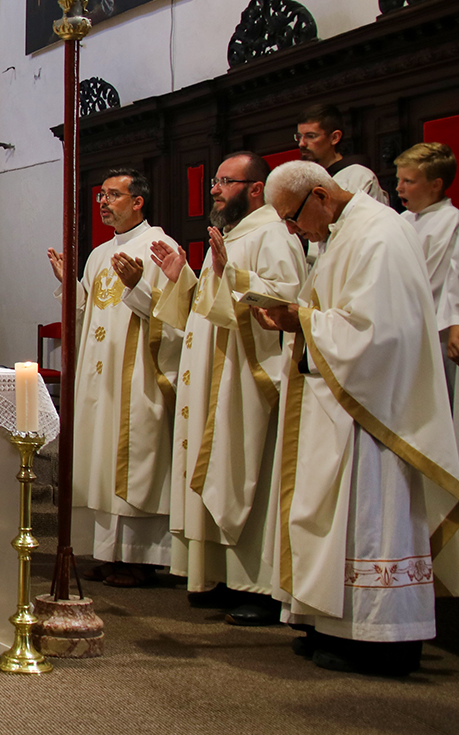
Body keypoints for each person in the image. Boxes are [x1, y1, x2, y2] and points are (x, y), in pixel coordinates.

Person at [253, 161, 459, 675]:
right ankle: (333, 625)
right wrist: (296, 313)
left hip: (376, 413)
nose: (294, 230)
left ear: (321, 195)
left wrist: (296, 317)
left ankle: (379, 640)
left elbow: (378, 334)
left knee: (370, 519)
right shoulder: (343, 232)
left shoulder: (379, 235)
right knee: (337, 520)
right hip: (341, 402)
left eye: (293, 217)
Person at [149, 152, 303, 625]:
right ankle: (215, 574)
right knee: (214, 464)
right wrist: (185, 280)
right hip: (215, 370)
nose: (213, 189)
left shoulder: (273, 235)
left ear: (255, 188)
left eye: (224, 182)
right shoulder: (232, 236)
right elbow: (208, 306)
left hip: (244, 375)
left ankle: (255, 584)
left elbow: (287, 301)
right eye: (214, 181)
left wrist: (231, 274)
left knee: (242, 466)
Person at [47, 167, 181, 589]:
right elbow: (90, 313)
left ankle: (141, 559)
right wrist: (73, 286)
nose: (103, 203)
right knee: (102, 458)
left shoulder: (161, 246)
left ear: (138, 201)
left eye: (114, 195)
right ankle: (109, 553)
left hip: (138, 371)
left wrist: (139, 286)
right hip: (100, 370)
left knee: (136, 458)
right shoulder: (100, 254)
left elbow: (176, 315)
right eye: (101, 196)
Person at [394, 142, 459, 380]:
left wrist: (456, 324)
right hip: (401, 328)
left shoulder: (452, 221)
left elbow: (455, 279)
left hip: (437, 331)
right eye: (399, 179)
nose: (399, 188)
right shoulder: (401, 219)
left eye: (408, 181)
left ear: (436, 184)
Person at [295, 103, 387, 260]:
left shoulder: (358, 176)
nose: (301, 144)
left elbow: (364, 233)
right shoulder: (307, 181)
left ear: (335, 137)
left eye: (311, 136)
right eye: (299, 136)